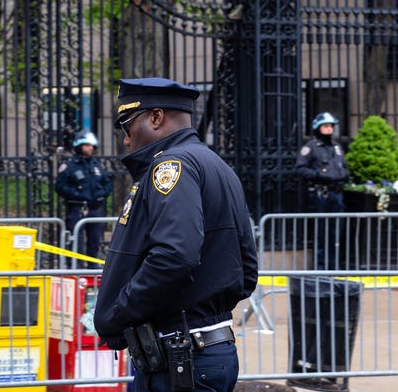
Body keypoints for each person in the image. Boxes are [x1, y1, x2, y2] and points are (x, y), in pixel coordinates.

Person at [93, 77, 258, 392]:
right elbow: (246, 269)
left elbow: (175, 256)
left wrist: (118, 312)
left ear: (156, 117)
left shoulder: (171, 166)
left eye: (125, 126)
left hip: (180, 357)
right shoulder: (216, 165)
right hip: (204, 350)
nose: (126, 140)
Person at [296, 112, 349, 270]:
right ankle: (321, 270)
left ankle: (334, 269)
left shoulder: (337, 146)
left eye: (331, 126)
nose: (329, 129)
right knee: (321, 233)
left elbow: (343, 167)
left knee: (336, 234)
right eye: (326, 126)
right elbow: (301, 168)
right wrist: (319, 176)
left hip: (337, 194)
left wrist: (342, 175)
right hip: (321, 195)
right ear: (318, 128)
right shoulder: (310, 147)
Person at [55, 130, 113, 267]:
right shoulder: (69, 166)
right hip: (77, 209)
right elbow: (60, 187)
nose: (91, 148)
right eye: (87, 145)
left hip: (95, 209)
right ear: (79, 146)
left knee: (95, 241)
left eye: (92, 145)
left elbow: (107, 183)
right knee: (76, 242)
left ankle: (92, 270)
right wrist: (79, 195)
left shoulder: (97, 165)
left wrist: (101, 194)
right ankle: (75, 269)